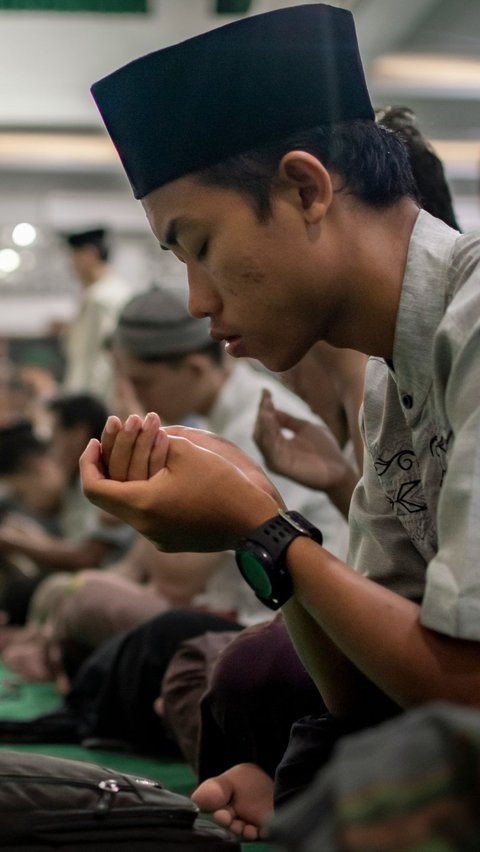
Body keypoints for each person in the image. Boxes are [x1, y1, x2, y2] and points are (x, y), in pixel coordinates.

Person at [78, 3, 480, 842]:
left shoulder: (473, 326)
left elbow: (466, 693)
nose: (198, 300)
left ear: (305, 189)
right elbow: (367, 692)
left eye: (201, 246)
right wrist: (254, 513)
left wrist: (262, 526)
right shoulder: (390, 381)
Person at [59, 228, 132, 404]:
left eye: (74, 257)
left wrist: (81, 406)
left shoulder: (99, 299)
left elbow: (92, 359)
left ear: (90, 255)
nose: (71, 265)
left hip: (92, 402)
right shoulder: (118, 291)